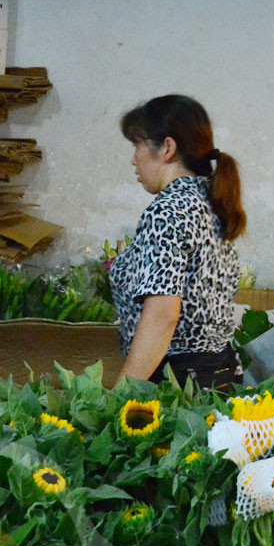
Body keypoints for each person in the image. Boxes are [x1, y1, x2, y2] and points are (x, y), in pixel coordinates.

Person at [109, 94, 246, 389]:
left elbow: (162, 317)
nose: (134, 159)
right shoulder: (210, 203)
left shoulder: (168, 211)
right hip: (221, 373)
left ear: (167, 148)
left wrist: (120, 393)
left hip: (180, 386)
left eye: (137, 145)